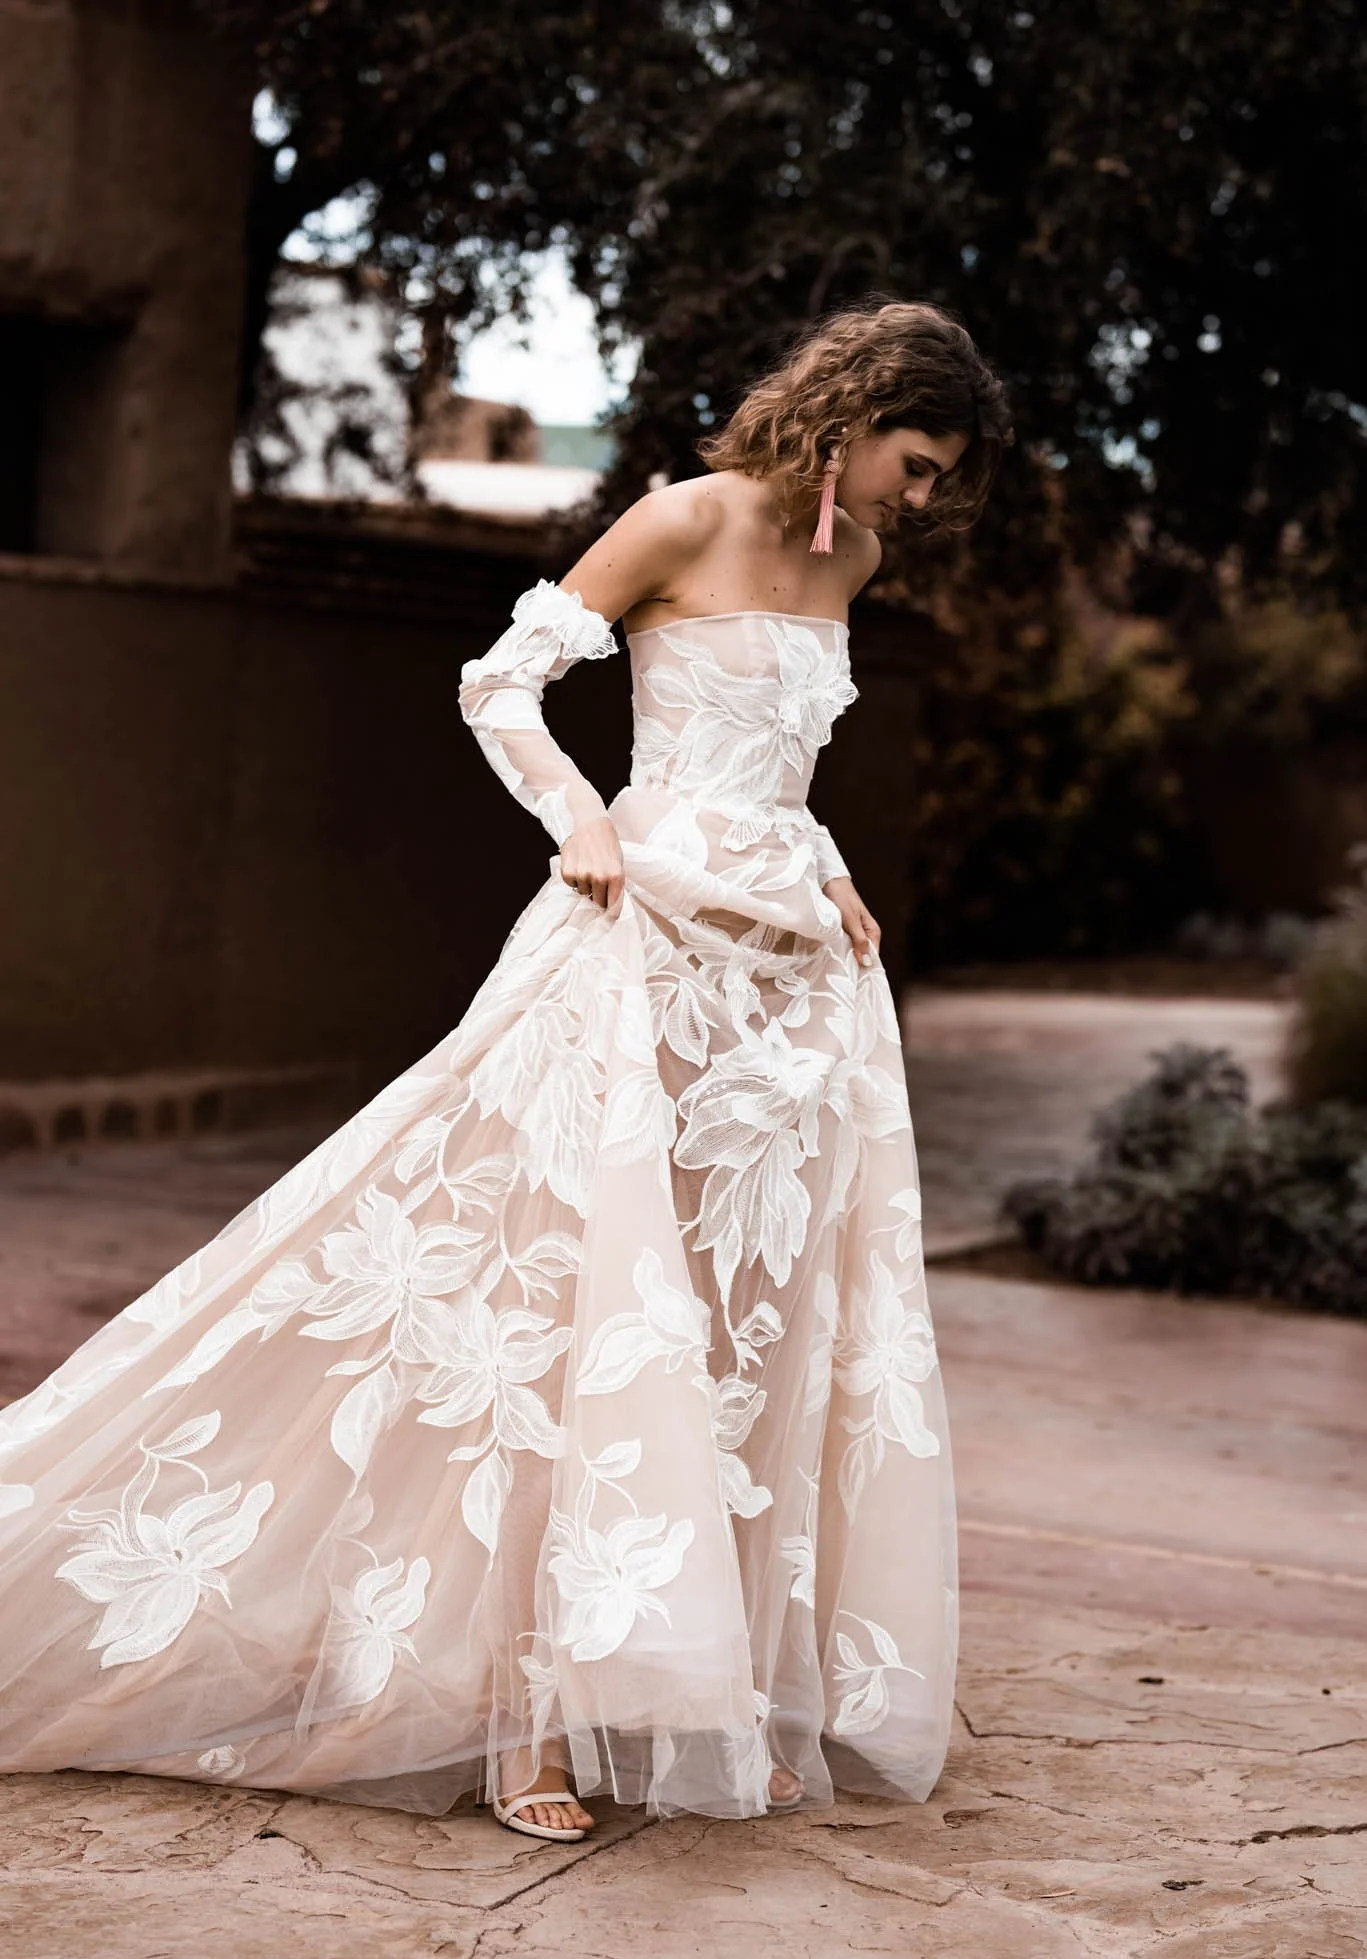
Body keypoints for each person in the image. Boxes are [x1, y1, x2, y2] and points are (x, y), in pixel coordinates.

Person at [0, 298, 1010, 1842]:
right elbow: (499, 683)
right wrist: (584, 821)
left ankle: (698, 1687)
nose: (917, 502)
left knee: (740, 1332)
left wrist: (829, 867)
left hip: (788, 998)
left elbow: (777, 768)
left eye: (938, 481)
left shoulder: (852, 563)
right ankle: (516, 1720)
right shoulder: (680, 515)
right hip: (636, 945)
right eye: (915, 463)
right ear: (852, 413)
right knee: (568, 1310)